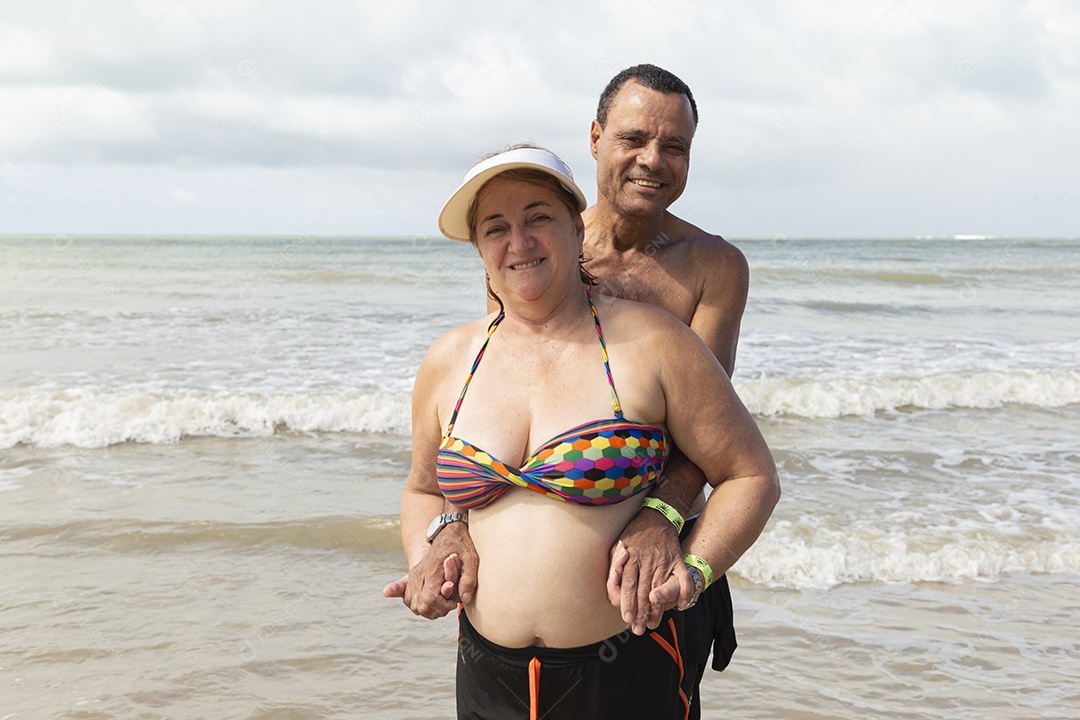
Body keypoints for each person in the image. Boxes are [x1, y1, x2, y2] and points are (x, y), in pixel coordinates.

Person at [389, 144, 778, 719]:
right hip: (485, 673)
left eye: (538, 218)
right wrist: (437, 543)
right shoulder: (451, 360)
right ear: (479, 248)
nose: (518, 242)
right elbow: (423, 489)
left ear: (577, 227)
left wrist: (692, 572)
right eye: (497, 228)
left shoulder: (652, 342)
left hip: (627, 671)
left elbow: (751, 475)